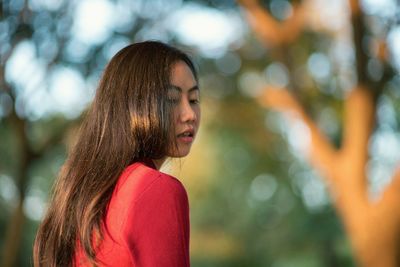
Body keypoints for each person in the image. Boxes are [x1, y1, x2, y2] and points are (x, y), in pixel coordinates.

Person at [33, 40, 201, 267]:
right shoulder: (156, 188)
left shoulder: (83, 200)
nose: (190, 114)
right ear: (135, 104)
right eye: (172, 99)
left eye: (193, 99)